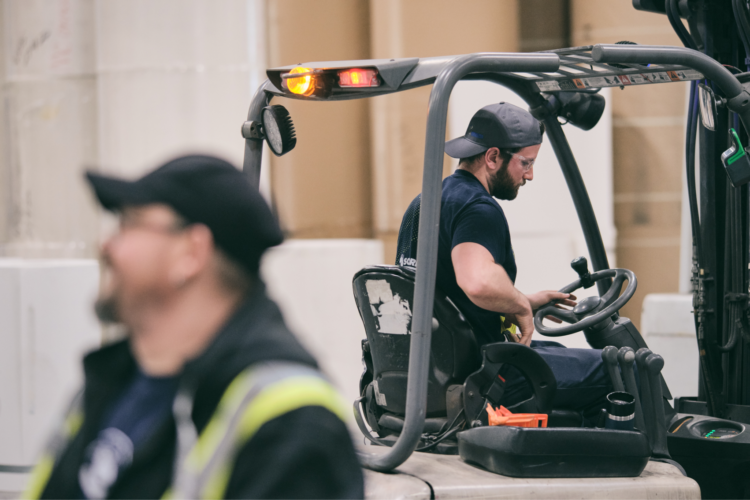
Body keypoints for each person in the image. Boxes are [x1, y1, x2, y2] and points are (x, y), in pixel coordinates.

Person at [24, 155, 364, 500]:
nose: (107, 245)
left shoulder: (293, 426)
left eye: (130, 222)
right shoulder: (111, 381)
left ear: (192, 252)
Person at [395, 103, 612, 419]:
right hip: (485, 376)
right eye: (525, 163)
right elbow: (478, 282)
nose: (530, 175)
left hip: (436, 371)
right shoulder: (478, 208)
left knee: (562, 354)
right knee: (620, 367)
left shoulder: (425, 202)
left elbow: (449, 293)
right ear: (493, 157)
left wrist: (524, 299)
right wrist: (520, 307)